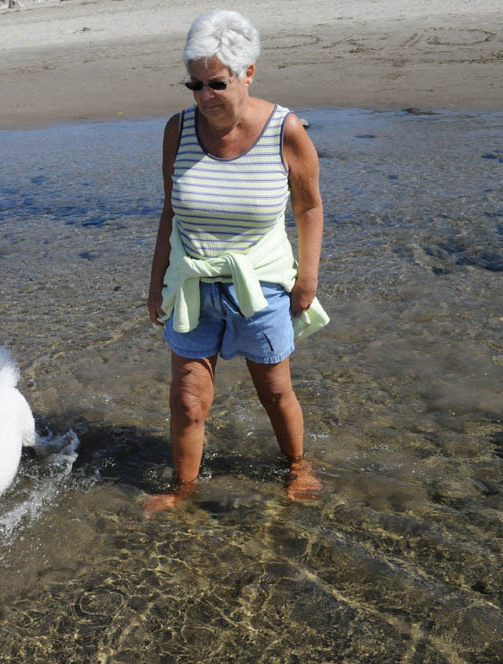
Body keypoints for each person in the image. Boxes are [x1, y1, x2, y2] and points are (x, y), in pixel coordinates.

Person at [145, 9, 329, 513]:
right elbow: (170, 209)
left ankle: (298, 466)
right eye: (195, 84)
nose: (205, 96)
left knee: (274, 392)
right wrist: (156, 278)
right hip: (192, 283)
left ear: (249, 73)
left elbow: (309, 206)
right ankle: (183, 489)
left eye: (217, 83)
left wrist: (307, 277)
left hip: (262, 285)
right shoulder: (176, 130)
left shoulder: (285, 131)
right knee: (187, 398)